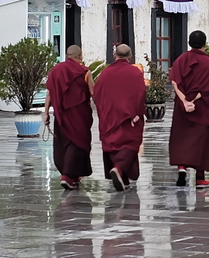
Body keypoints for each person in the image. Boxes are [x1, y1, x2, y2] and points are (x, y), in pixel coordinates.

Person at [168, 30, 209, 188]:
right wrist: (193, 101)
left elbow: (174, 82)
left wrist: (184, 101)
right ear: (205, 43)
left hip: (183, 107)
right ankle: (199, 178)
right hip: (201, 107)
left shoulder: (182, 59)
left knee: (181, 137)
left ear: (190, 43)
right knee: (201, 140)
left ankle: (182, 168)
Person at [92, 43, 146, 192]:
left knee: (113, 145)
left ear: (115, 56)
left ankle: (124, 179)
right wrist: (137, 112)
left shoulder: (105, 73)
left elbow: (96, 94)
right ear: (130, 57)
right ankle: (119, 169)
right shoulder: (135, 73)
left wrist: (103, 112)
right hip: (128, 117)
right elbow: (141, 93)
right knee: (130, 144)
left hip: (109, 117)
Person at [42, 45, 94, 190]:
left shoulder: (55, 71)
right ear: (81, 56)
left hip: (61, 115)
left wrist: (46, 113)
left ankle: (74, 175)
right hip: (80, 115)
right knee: (78, 143)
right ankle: (67, 175)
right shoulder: (85, 72)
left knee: (64, 144)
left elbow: (50, 93)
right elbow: (93, 92)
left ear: (66, 56)